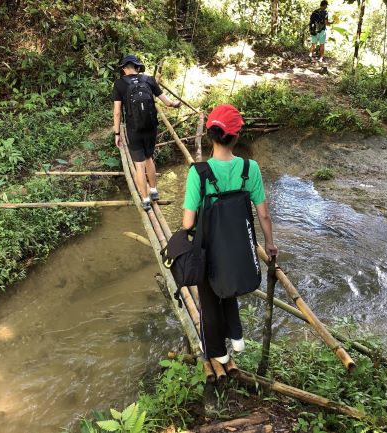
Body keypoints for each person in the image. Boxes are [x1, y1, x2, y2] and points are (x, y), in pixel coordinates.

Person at [181, 104, 278, 364]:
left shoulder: (198, 173)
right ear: (236, 136)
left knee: (210, 299)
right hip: (239, 248)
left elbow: (188, 222)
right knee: (229, 287)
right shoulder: (251, 169)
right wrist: (269, 245)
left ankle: (219, 355)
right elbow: (264, 215)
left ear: (210, 136)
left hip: (210, 251)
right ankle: (237, 338)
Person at [112, 54, 181, 211]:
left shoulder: (119, 84)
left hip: (133, 129)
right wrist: (175, 104)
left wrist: (117, 134)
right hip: (151, 127)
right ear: (137, 67)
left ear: (123, 69)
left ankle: (145, 200)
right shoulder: (149, 79)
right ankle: (154, 191)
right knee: (149, 157)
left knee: (139, 165)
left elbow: (117, 112)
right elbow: (167, 102)